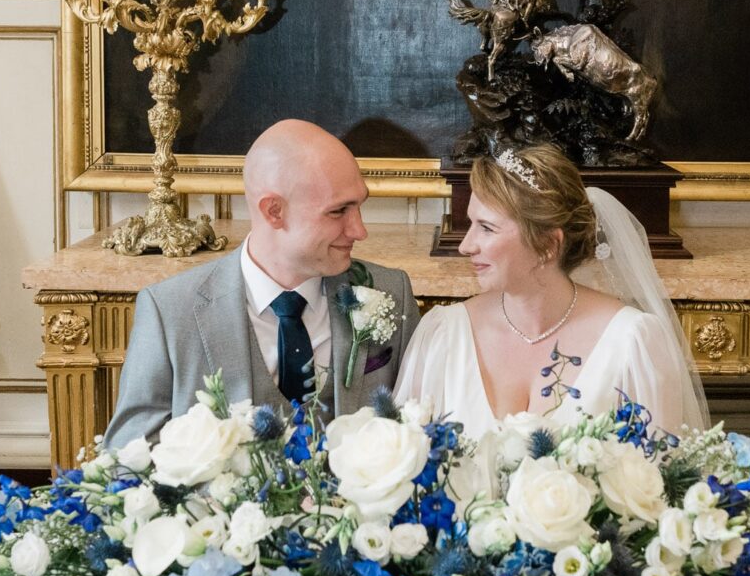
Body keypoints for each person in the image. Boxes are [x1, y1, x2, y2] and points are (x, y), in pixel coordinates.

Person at [102, 120, 421, 449]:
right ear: (274, 211)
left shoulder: (390, 292)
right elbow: (128, 459)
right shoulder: (170, 312)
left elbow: (420, 430)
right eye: (339, 211)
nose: (359, 230)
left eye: (359, 205)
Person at [394, 144, 709, 442]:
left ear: (548, 245)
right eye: (470, 224)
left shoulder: (632, 343)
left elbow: (658, 481)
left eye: (487, 228)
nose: (466, 246)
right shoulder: (444, 335)